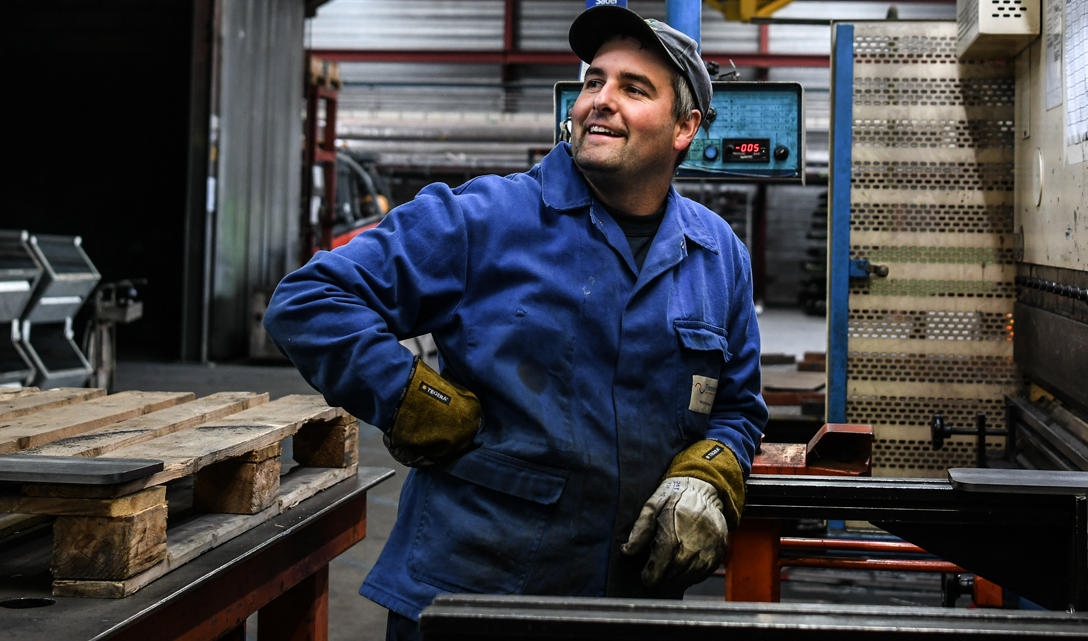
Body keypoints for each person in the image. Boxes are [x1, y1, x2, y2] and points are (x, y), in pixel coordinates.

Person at [265, 6, 765, 640]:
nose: (600, 101)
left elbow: (739, 406)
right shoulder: (485, 218)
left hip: (634, 601)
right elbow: (310, 298)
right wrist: (405, 395)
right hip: (470, 600)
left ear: (685, 128)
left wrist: (711, 471)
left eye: (633, 89)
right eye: (593, 82)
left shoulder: (717, 256)